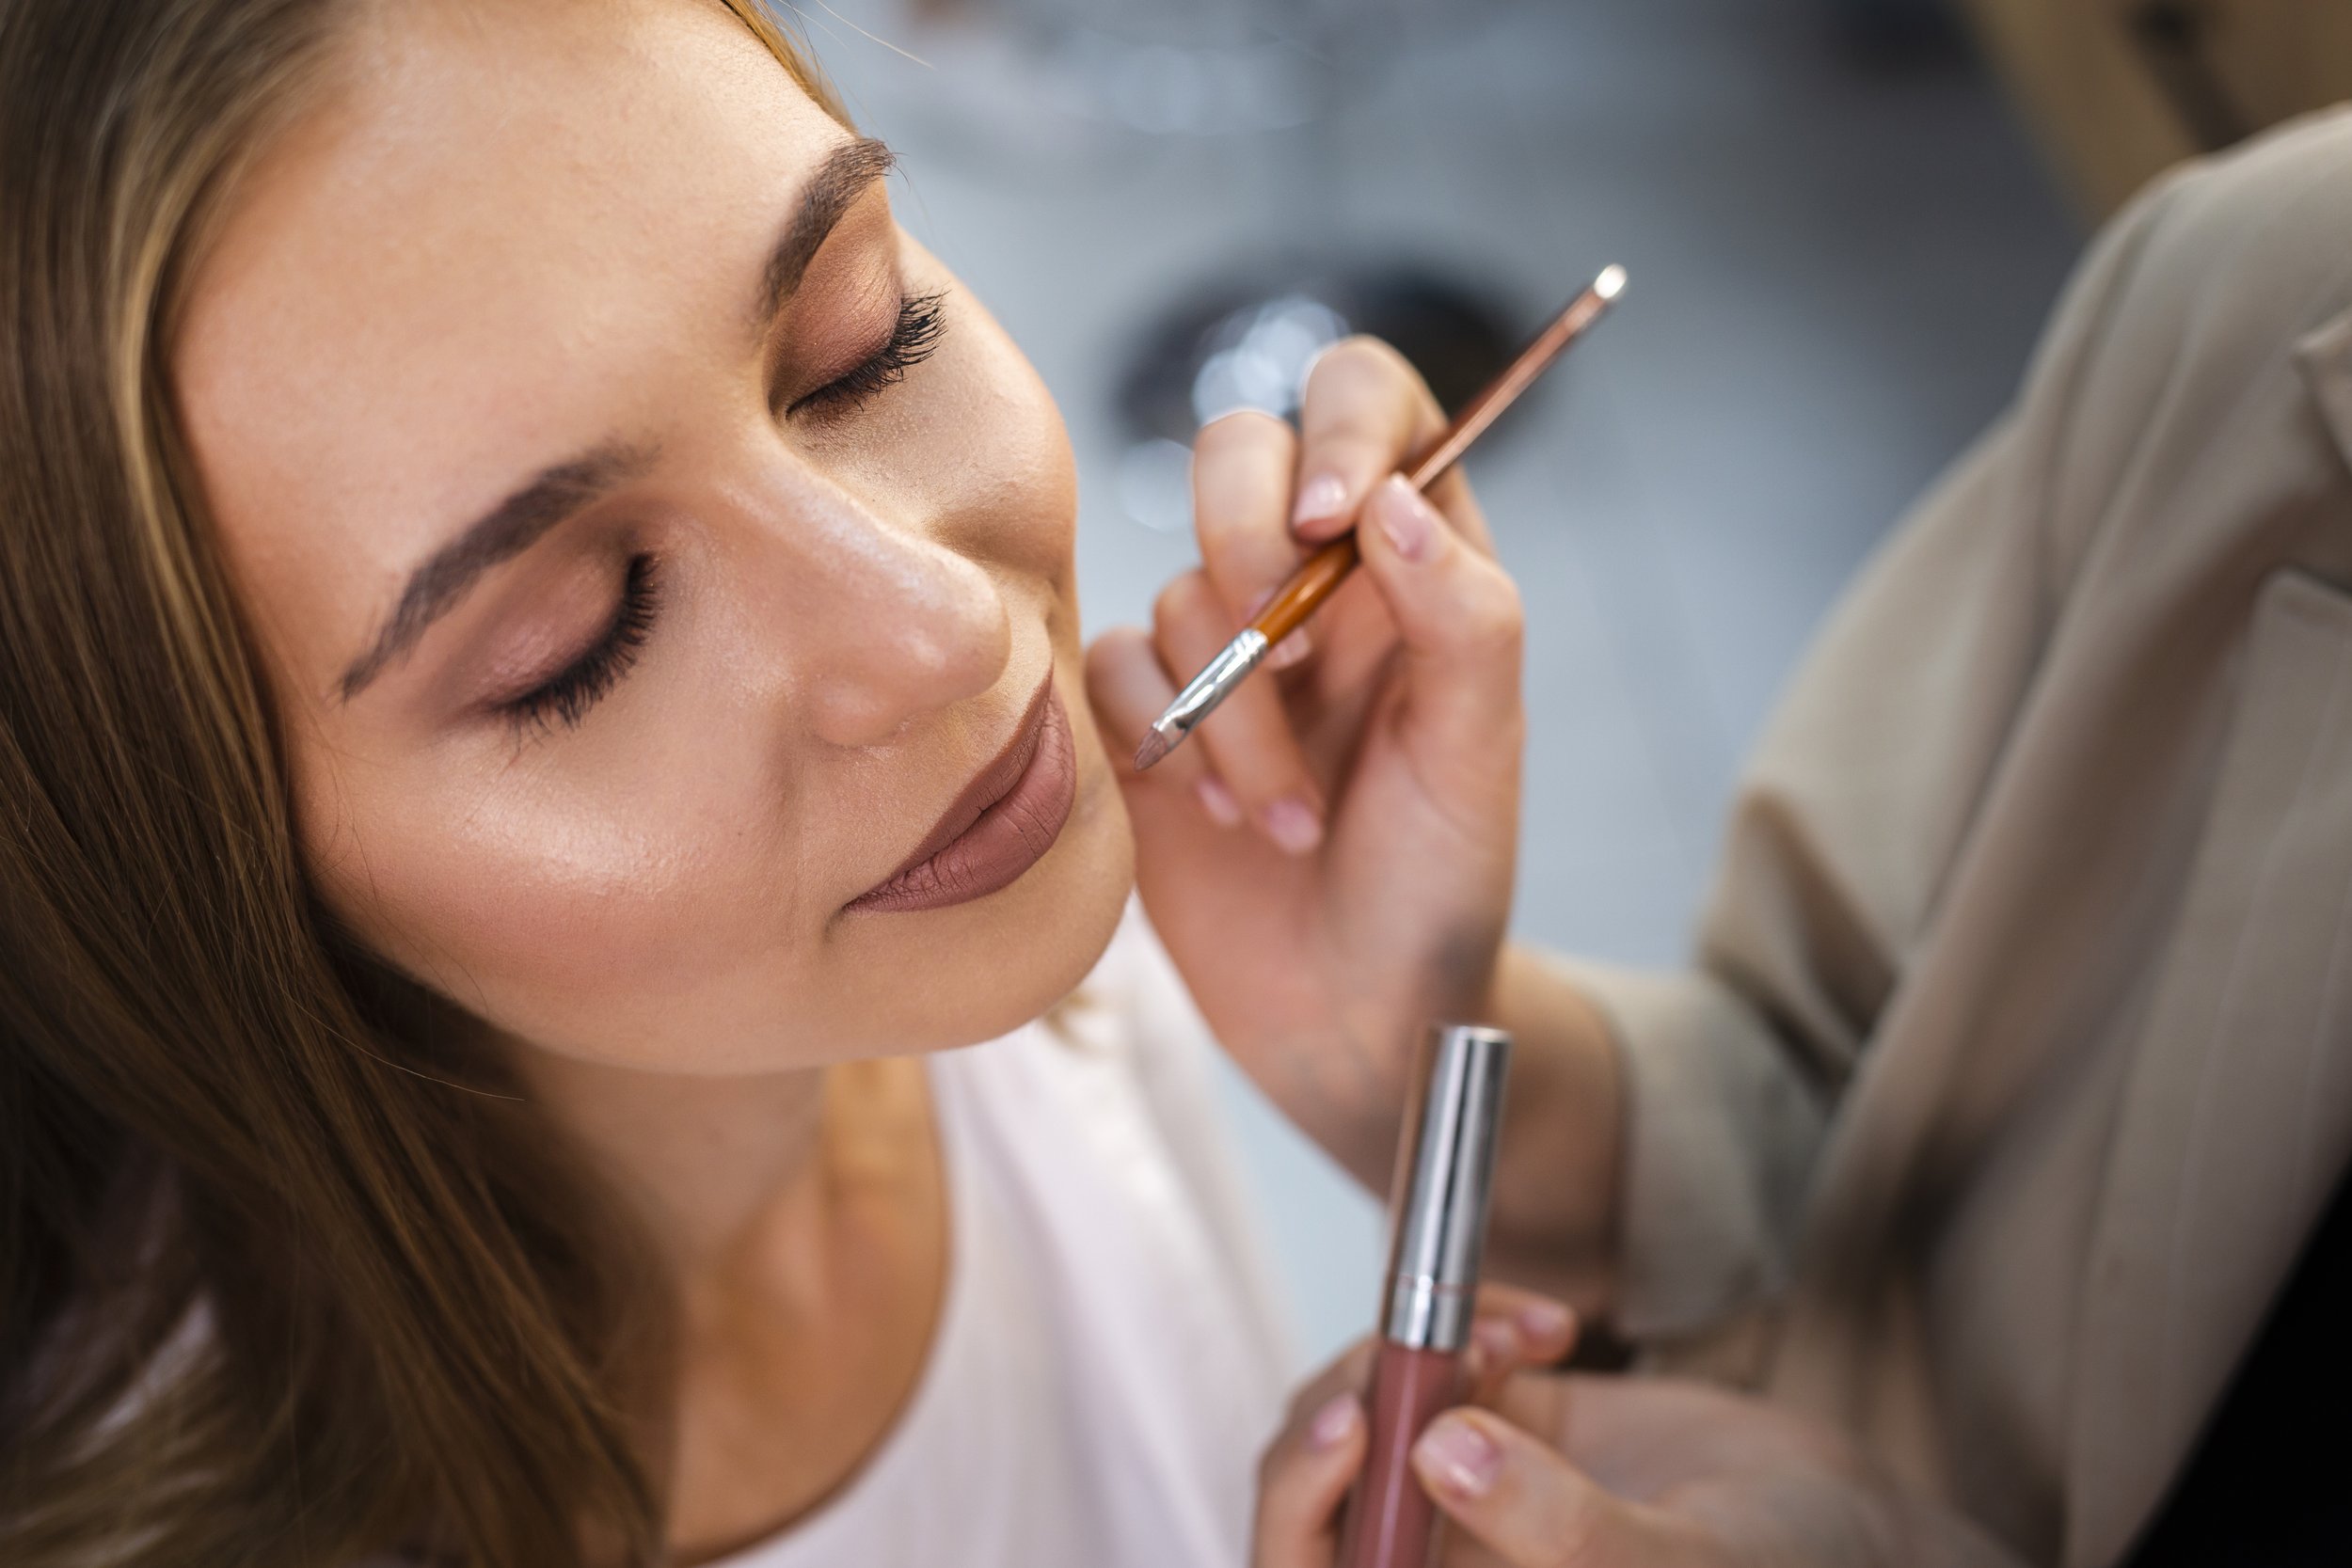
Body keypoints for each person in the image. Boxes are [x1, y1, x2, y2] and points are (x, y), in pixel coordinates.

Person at [0, 2, 1561, 1562]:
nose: (944, 629)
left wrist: (1402, 1063)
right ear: (190, 881)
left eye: (865, 344)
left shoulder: (991, 955)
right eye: (581, 643)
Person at [1096, 102, 2352, 1568]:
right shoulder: (2270, 296)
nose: (928, 633)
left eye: (862, 362)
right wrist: (1395, 1033)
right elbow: (1833, 1108)